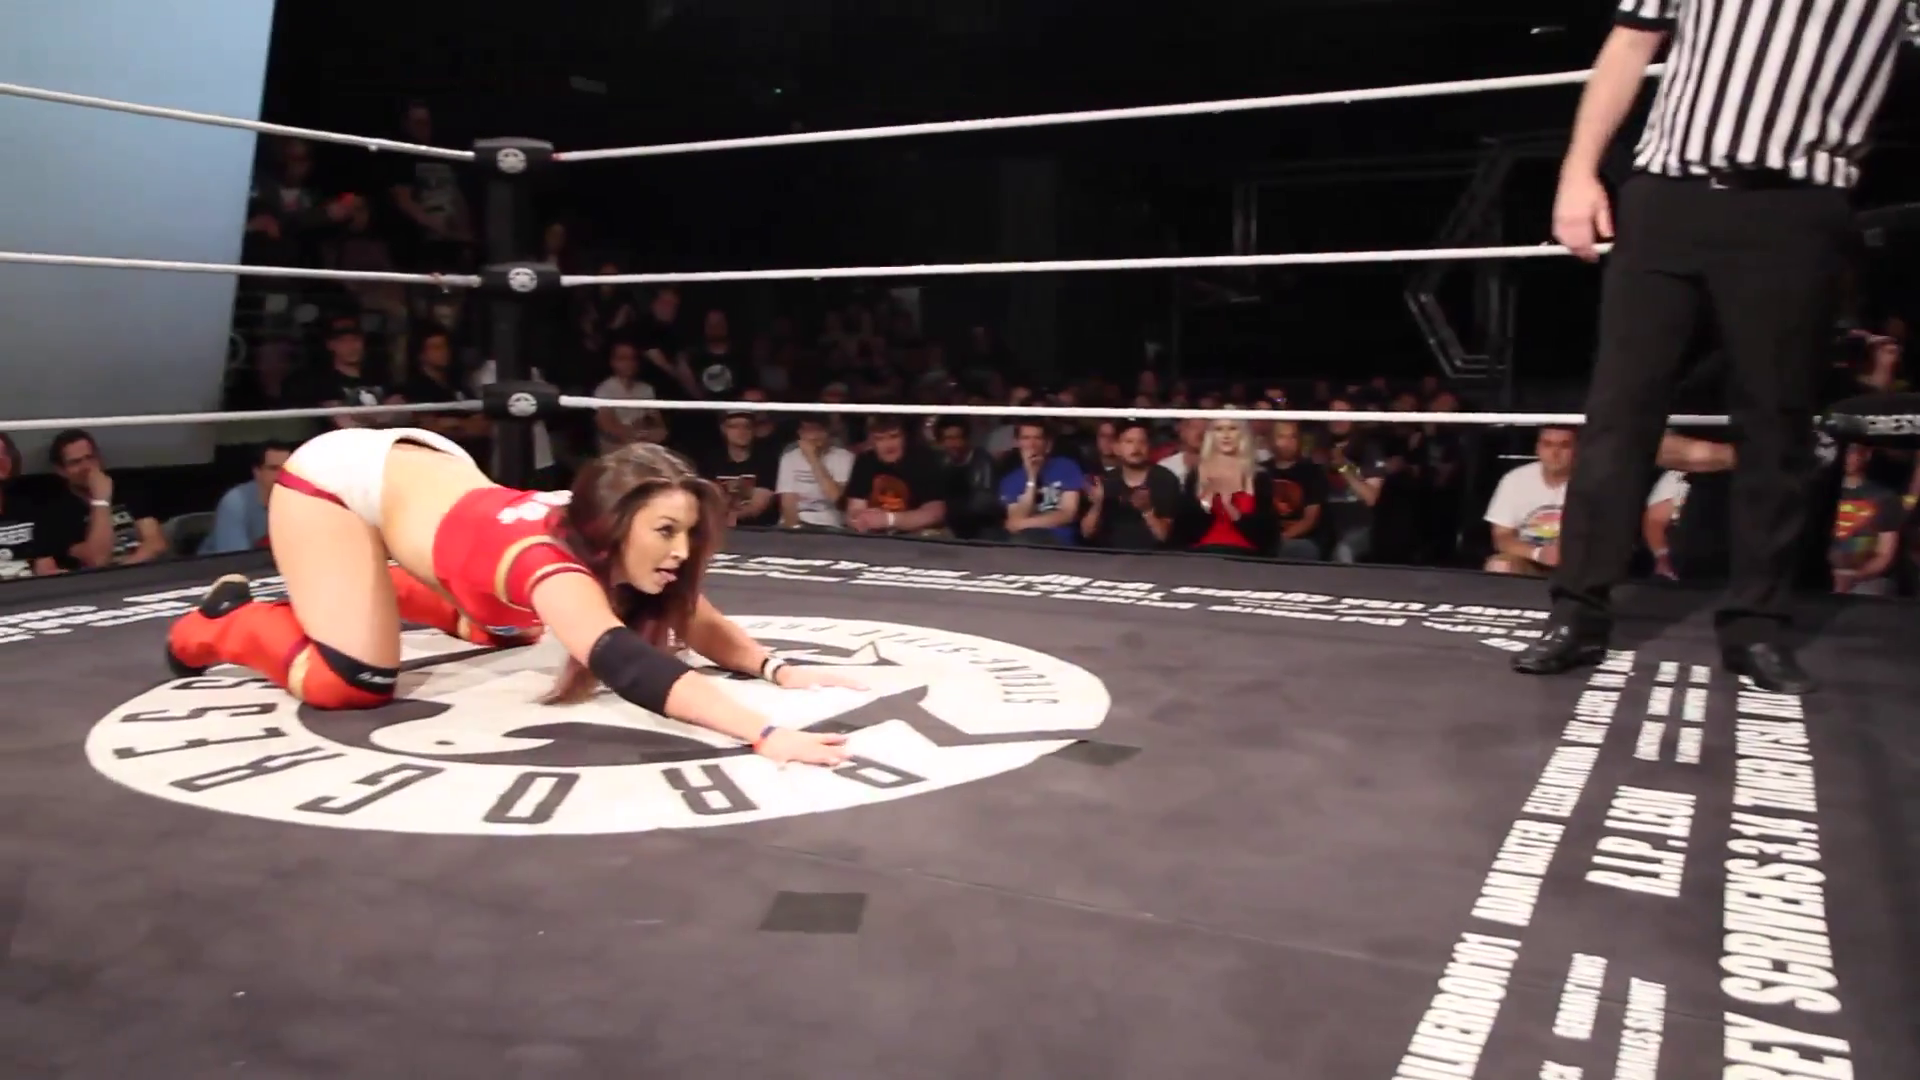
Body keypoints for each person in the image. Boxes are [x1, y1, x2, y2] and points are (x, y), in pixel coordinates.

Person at [1516, 0, 1909, 694]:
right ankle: (1577, 612)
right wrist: (1578, 171)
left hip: (1797, 204)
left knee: (1777, 421)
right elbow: (1630, 43)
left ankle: (1756, 624)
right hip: (1668, 193)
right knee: (1620, 411)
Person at [164, 430, 857, 766]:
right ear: (616, 524)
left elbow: (693, 616)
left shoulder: (594, 526)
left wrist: (778, 669)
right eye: (666, 532)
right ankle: (225, 622)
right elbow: (628, 663)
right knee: (352, 682)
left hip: (427, 472)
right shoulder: (548, 563)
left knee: (509, 623)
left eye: (688, 532)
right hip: (335, 486)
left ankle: (370, 588)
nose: (681, 551)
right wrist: (765, 734)